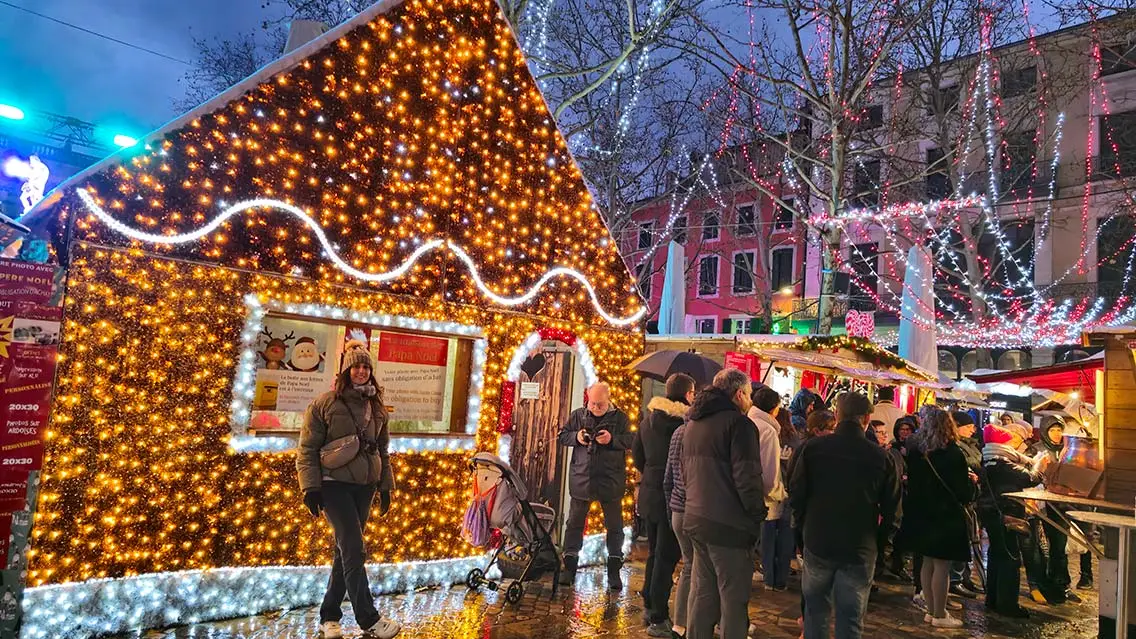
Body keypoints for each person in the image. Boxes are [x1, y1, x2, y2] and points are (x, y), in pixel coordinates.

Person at [297, 348, 401, 639]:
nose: (361, 372)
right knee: (354, 548)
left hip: (365, 486)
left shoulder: (377, 407)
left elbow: (382, 449)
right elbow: (307, 449)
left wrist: (385, 486)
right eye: (356, 368)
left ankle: (329, 616)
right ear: (346, 371)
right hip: (333, 485)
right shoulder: (325, 403)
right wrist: (311, 487)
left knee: (345, 552)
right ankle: (369, 619)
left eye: (366, 368)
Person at [790, 392, 901, 639]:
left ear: (837, 416)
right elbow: (893, 510)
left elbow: (796, 495)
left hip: (818, 539)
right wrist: (880, 546)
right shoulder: (881, 457)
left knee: (815, 613)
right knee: (850, 618)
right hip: (860, 546)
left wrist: (800, 532)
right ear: (866, 419)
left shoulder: (813, 448)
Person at [683, 368, 765, 639]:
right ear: (739, 394)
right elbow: (747, 477)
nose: (750, 400)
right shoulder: (740, 425)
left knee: (704, 592)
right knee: (733, 598)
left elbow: (685, 472)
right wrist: (756, 514)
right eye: (749, 395)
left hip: (696, 517)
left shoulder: (693, 422)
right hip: (729, 524)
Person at [898, 406, 977, 629]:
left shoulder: (917, 453)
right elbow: (962, 492)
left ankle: (931, 611)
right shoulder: (953, 454)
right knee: (942, 566)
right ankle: (939, 613)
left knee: (927, 563)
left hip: (921, 514)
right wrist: (971, 484)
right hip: (945, 517)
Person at [633, 373, 695, 637]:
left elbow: (637, 456)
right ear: (687, 394)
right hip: (670, 495)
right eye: (692, 392)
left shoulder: (648, 420)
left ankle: (649, 600)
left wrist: (649, 473)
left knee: (655, 552)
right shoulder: (681, 425)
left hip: (649, 492)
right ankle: (658, 615)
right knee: (666, 557)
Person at [558, 382, 633, 590]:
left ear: (608, 399)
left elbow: (631, 441)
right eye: (592, 403)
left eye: (600, 404)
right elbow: (562, 436)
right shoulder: (578, 415)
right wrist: (577, 437)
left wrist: (612, 440)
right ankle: (569, 568)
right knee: (574, 524)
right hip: (582, 479)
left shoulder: (621, 418)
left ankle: (614, 572)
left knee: (615, 527)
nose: (595, 408)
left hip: (610, 480)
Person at [978, 423, 1045, 618]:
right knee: (1010, 558)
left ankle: (993, 599)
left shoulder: (988, 461)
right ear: (1003, 445)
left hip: (992, 514)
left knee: (997, 555)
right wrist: (1040, 466)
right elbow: (1032, 479)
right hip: (1006, 515)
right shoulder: (1003, 464)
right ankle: (1007, 604)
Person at [748, 386, 793, 592]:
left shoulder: (747, 422)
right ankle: (773, 579)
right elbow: (770, 469)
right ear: (774, 408)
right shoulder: (768, 430)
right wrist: (778, 493)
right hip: (763, 498)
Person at [664, 391, 694, 638]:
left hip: (677, 510)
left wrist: (670, 506)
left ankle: (679, 623)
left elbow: (668, 478)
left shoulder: (677, 433)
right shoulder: (700, 436)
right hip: (694, 510)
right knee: (699, 568)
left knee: (688, 566)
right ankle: (696, 623)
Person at [949, 411, 984, 599]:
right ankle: (955, 579)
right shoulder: (956, 447)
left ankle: (964, 577)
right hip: (962, 499)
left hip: (972, 497)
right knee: (961, 539)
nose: (973, 430)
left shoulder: (972, 445)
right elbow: (968, 464)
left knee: (970, 539)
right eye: (968, 426)